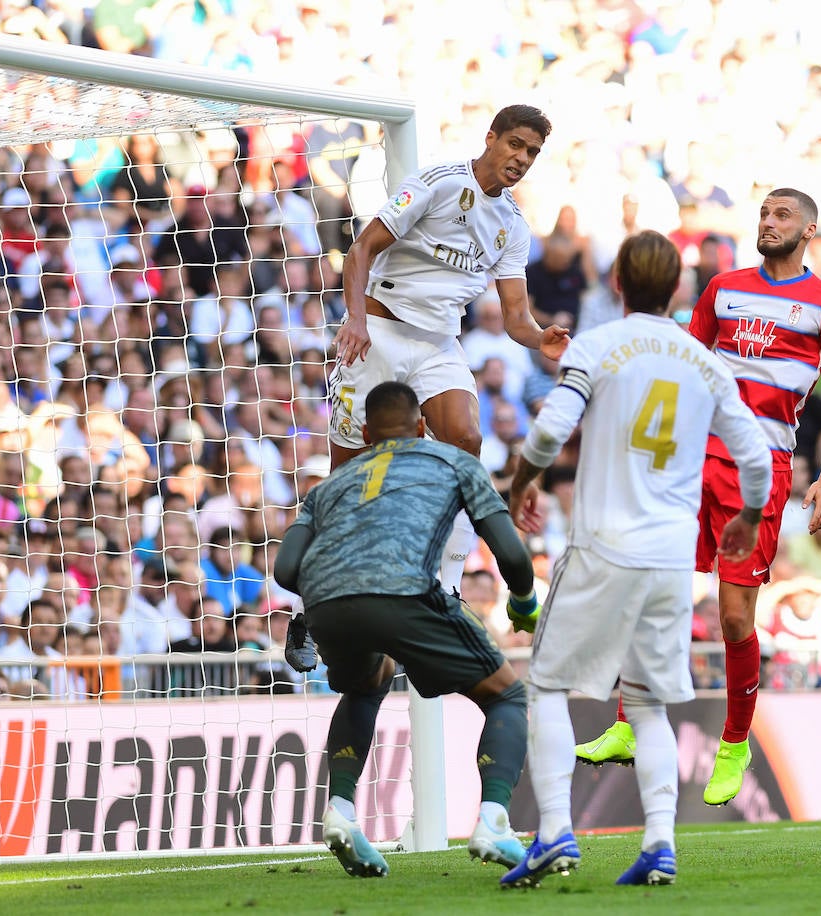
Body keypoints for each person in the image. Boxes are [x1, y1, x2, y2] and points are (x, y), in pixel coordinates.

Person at [571, 189, 821, 809]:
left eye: (782, 215)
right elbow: (682, 361)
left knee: (734, 616)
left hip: (759, 466)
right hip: (691, 457)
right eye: (763, 214)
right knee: (653, 586)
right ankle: (627, 720)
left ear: (810, 228)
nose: (769, 222)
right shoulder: (722, 289)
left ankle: (734, 743)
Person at [500, 230, 772, 888]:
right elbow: (757, 458)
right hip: (671, 556)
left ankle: (557, 831)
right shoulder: (705, 362)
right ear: (677, 288)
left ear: (617, 281)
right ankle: (658, 842)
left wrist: (521, 484)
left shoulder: (598, 345)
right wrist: (750, 515)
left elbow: (547, 431)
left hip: (604, 544)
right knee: (648, 704)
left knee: (548, 686)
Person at [273, 381, 542, 880]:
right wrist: (524, 602)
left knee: (366, 684)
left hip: (328, 604)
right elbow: (510, 553)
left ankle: (341, 810)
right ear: (423, 426)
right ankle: (493, 819)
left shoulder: (327, 487)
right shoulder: (454, 462)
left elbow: (287, 570)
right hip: (407, 592)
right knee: (506, 696)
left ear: (367, 433)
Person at [327, 104, 569, 590]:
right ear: (491, 138)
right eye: (516, 144)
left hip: (439, 343)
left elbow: (516, 317)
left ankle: (451, 585)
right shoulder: (438, 182)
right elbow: (362, 248)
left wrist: (540, 338)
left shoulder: (514, 226)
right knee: (347, 474)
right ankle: (317, 600)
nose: (522, 158)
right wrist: (355, 320)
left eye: (533, 153)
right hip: (379, 331)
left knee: (466, 440)